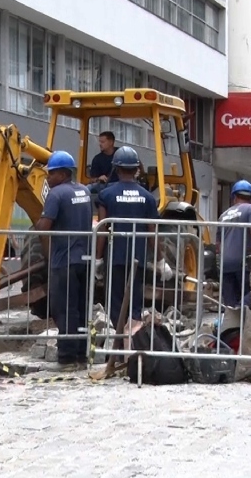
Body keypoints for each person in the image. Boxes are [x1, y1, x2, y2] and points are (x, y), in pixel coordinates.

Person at [35, 150, 93, 371]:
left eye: (50, 174)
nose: (48, 178)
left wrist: (40, 221)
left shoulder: (56, 194)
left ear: (61, 173)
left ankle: (67, 356)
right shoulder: (85, 191)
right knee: (80, 307)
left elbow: (44, 227)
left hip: (64, 260)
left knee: (64, 309)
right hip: (84, 259)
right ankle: (81, 353)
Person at [96, 146, 159, 330]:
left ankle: (117, 343)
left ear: (116, 168)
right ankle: (132, 342)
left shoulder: (106, 195)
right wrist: (160, 259)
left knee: (115, 302)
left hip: (115, 258)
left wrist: (98, 258)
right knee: (135, 302)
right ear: (136, 169)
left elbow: (102, 228)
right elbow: (151, 230)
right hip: (137, 259)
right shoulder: (147, 197)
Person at [218, 180, 251, 307]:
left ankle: (232, 321)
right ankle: (241, 311)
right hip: (243, 262)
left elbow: (218, 243)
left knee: (229, 304)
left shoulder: (223, 215)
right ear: (250, 196)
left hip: (225, 264)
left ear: (234, 197)